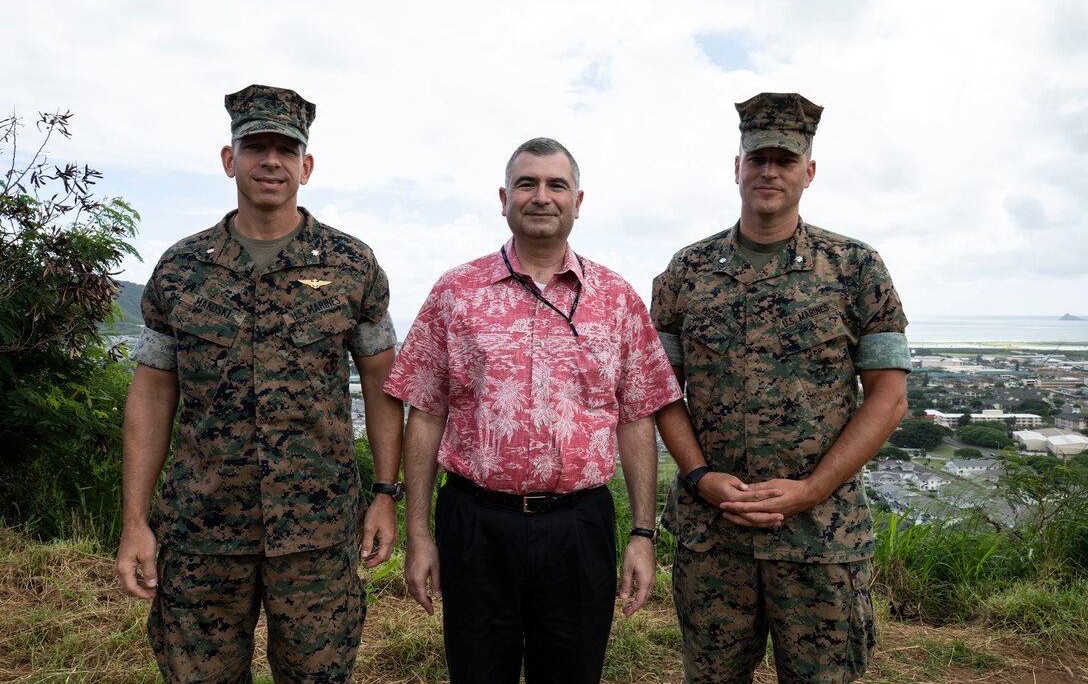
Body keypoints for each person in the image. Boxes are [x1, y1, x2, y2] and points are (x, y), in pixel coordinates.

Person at [115, 83, 404, 682]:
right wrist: (135, 521)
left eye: (285, 148)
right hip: (202, 532)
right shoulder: (181, 269)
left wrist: (384, 493)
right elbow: (152, 393)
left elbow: (382, 383)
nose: (270, 160)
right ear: (230, 160)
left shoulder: (351, 265)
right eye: (255, 146)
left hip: (317, 534)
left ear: (307, 165)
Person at [383, 137, 682, 683]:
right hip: (475, 524)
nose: (541, 196)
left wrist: (643, 534)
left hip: (578, 528)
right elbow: (424, 414)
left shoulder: (616, 298)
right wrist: (419, 536)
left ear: (578, 200)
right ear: (504, 198)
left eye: (555, 185)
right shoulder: (456, 292)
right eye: (527, 184)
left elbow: (636, 417)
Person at [652, 92, 911, 683]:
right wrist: (698, 477)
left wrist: (810, 490)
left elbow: (889, 398)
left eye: (785, 160)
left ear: (809, 172)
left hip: (821, 537)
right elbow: (661, 390)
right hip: (714, 535)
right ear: (736, 167)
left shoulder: (856, 268)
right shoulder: (686, 272)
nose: (769, 171)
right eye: (757, 157)